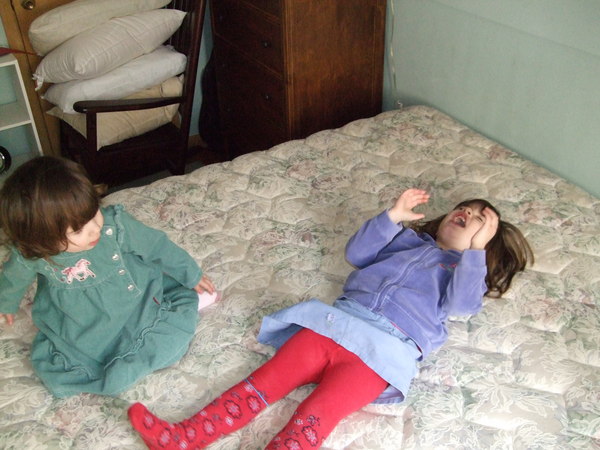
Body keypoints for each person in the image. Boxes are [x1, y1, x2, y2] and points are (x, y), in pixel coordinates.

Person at [128, 188, 534, 449]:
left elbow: (463, 305)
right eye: (462, 208)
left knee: (313, 419)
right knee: (261, 384)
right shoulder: (406, 240)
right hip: (336, 325)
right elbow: (357, 254)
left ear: (486, 244)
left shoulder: (463, 273)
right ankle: (182, 437)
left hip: (383, 356)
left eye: (477, 219)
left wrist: (475, 254)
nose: (464, 212)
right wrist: (393, 215)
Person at [0, 156, 217, 398]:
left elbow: (157, 246)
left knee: (171, 344)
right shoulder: (34, 253)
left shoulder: (115, 227)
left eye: (94, 213)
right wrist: (6, 303)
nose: (95, 229)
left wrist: (191, 274)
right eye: (79, 230)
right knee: (61, 372)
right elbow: (13, 278)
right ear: (42, 239)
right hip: (81, 321)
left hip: (136, 303)